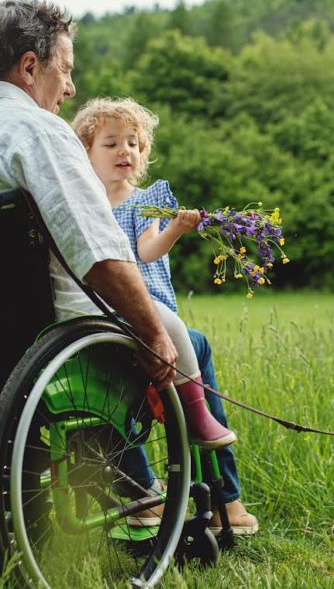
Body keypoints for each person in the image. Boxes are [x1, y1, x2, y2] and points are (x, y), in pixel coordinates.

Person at [0, 0, 257, 535]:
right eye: (65, 70)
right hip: (43, 330)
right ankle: (162, 488)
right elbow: (100, 253)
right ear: (30, 66)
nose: (69, 89)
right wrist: (154, 336)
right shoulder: (39, 134)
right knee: (171, 335)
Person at [72, 97, 235, 450]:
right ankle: (138, 479)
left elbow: (147, 251)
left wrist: (174, 229)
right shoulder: (84, 201)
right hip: (100, 304)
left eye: (133, 143)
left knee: (174, 330)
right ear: (86, 152)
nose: (124, 151)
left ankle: (196, 412)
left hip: (140, 300)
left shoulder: (145, 201)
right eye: (111, 143)